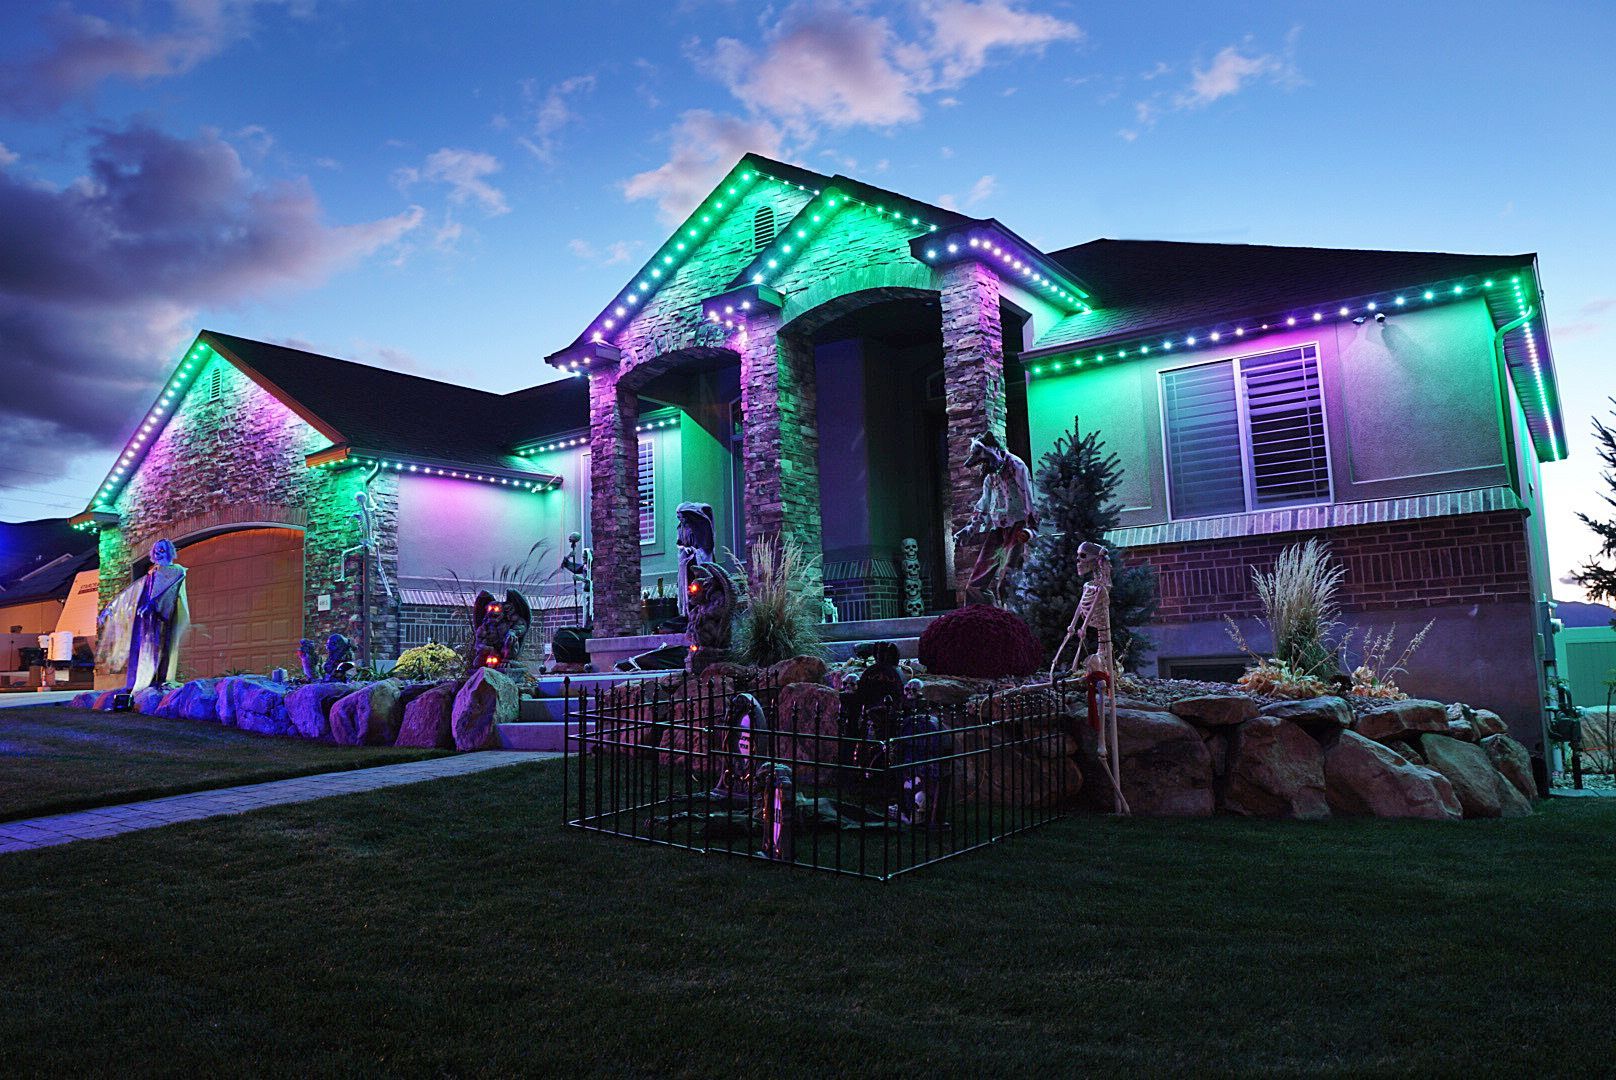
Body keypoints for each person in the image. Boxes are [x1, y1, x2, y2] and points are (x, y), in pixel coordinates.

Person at [956, 433, 1037, 605]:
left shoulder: (1016, 466)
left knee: (1007, 582)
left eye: (980, 455)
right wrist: (970, 528)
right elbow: (984, 503)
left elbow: (1028, 497)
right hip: (998, 529)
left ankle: (1012, 624)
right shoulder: (990, 476)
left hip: (1017, 527)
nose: (976, 462)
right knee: (974, 586)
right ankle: (981, 623)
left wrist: (1031, 529)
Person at [100, 538, 190, 691]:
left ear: (168, 551)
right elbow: (133, 592)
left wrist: (153, 604)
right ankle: (145, 682)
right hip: (148, 620)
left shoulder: (177, 571)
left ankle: (162, 680)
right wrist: (112, 607)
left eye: (161, 549)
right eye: (155, 550)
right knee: (147, 649)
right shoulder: (151, 574)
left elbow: (169, 591)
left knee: (163, 648)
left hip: (163, 618)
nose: (158, 553)